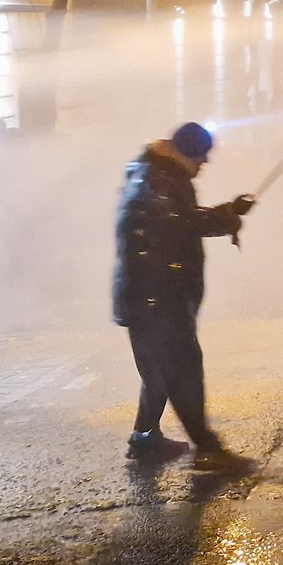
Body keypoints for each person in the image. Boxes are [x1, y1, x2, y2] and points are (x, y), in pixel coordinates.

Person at [112, 121, 256, 469]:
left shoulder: (152, 173)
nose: (204, 164)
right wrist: (226, 217)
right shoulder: (160, 179)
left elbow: (178, 220)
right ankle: (207, 448)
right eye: (200, 156)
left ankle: (145, 439)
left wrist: (228, 213)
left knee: (159, 372)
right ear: (184, 151)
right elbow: (176, 222)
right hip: (158, 296)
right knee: (183, 369)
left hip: (148, 296)